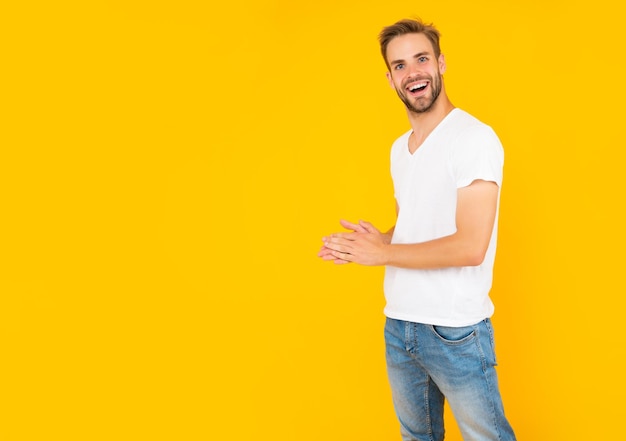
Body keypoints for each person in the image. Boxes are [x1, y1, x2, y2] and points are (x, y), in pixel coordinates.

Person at [318, 18, 516, 441]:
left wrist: (383, 254)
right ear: (389, 78)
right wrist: (371, 242)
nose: (414, 73)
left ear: (441, 64)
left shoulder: (473, 139)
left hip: (455, 330)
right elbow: (413, 225)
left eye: (422, 59)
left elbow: (470, 246)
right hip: (400, 321)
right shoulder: (400, 148)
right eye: (401, 65)